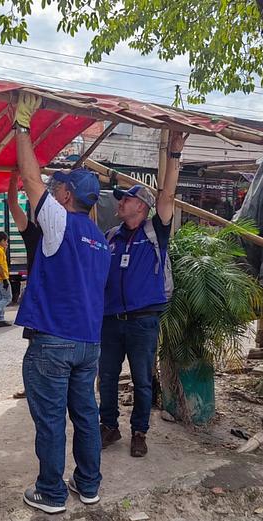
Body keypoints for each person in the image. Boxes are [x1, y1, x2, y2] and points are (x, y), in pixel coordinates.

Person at [12, 92, 110, 514]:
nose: (49, 190)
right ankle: (88, 485)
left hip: (53, 343)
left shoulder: (60, 224)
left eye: (57, 187)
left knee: (51, 420)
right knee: (85, 415)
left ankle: (51, 493)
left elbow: (31, 181)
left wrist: (21, 126)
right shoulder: (100, 241)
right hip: (88, 344)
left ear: (67, 196)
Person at [98, 131, 186, 458]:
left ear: (142, 207)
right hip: (110, 321)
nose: (119, 202)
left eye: (126, 198)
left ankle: (139, 432)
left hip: (143, 321)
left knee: (141, 380)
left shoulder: (154, 231)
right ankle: (109, 427)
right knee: (105, 377)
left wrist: (174, 156)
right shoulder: (111, 235)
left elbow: (168, 197)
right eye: (120, 197)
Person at [6, 172, 42, 400]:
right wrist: (14, 177)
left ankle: (35, 389)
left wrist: (13, 177)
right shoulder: (35, 234)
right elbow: (13, 204)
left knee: (37, 349)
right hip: (40, 301)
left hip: (42, 302)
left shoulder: (38, 233)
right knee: (34, 348)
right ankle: (32, 388)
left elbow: (12, 204)